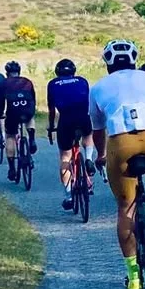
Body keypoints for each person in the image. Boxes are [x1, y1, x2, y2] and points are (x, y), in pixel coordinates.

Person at [89, 40, 145, 289]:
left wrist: (101, 156)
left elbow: (97, 131)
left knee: (125, 207)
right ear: (135, 59)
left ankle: (133, 276)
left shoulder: (98, 87)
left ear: (107, 63)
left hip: (121, 141)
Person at [47, 56, 93, 208]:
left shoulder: (53, 84)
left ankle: (68, 195)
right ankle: (88, 158)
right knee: (87, 136)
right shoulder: (82, 80)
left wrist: (51, 126)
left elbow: (52, 109)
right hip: (83, 117)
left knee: (65, 157)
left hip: (66, 120)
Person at [2, 60, 36, 182]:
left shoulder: (4, 83)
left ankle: (11, 168)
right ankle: (31, 138)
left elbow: (2, 101)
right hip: (28, 109)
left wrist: (2, 113)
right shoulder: (27, 81)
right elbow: (33, 98)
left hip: (13, 112)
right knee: (30, 117)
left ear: (7, 73)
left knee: (10, 135)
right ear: (19, 72)